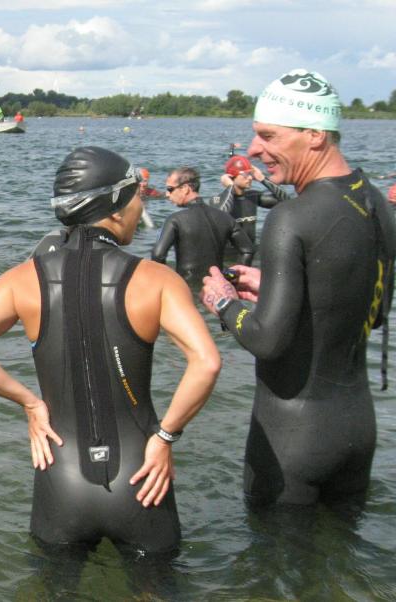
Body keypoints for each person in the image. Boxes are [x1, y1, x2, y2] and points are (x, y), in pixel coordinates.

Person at [0, 146, 219, 554]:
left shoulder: (21, 279)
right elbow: (207, 362)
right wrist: (165, 436)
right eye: (137, 197)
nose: (141, 207)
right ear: (115, 208)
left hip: (60, 478)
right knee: (156, 583)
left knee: (53, 583)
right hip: (142, 478)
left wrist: (30, 403)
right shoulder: (157, 279)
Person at [200, 68, 396, 508]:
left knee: (274, 553)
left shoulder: (292, 217)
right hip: (358, 431)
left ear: (315, 135)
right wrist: (281, 288)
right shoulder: (375, 201)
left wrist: (224, 303)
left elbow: (267, 340)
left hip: (292, 439)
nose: (253, 149)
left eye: (268, 136)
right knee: (341, 551)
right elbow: (373, 309)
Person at [151, 167, 253, 282]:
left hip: (187, 287)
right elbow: (248, 250)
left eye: (170, 189)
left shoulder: (175, 220)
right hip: (217, 286)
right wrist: (230, 278)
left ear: (185, 188)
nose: (167, 194)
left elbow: (158, 255)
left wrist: (169, 282)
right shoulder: (225, 217)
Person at [211, 155, 290, 245]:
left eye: (250, 173)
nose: (250, 177)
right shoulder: (218, 200)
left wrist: (263, 179)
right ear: (231, 177)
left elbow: (286, 201)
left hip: (251, 250)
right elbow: (219, 218)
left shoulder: (252, 196)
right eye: (245, 174)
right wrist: (230, 187)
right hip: (229, 252)